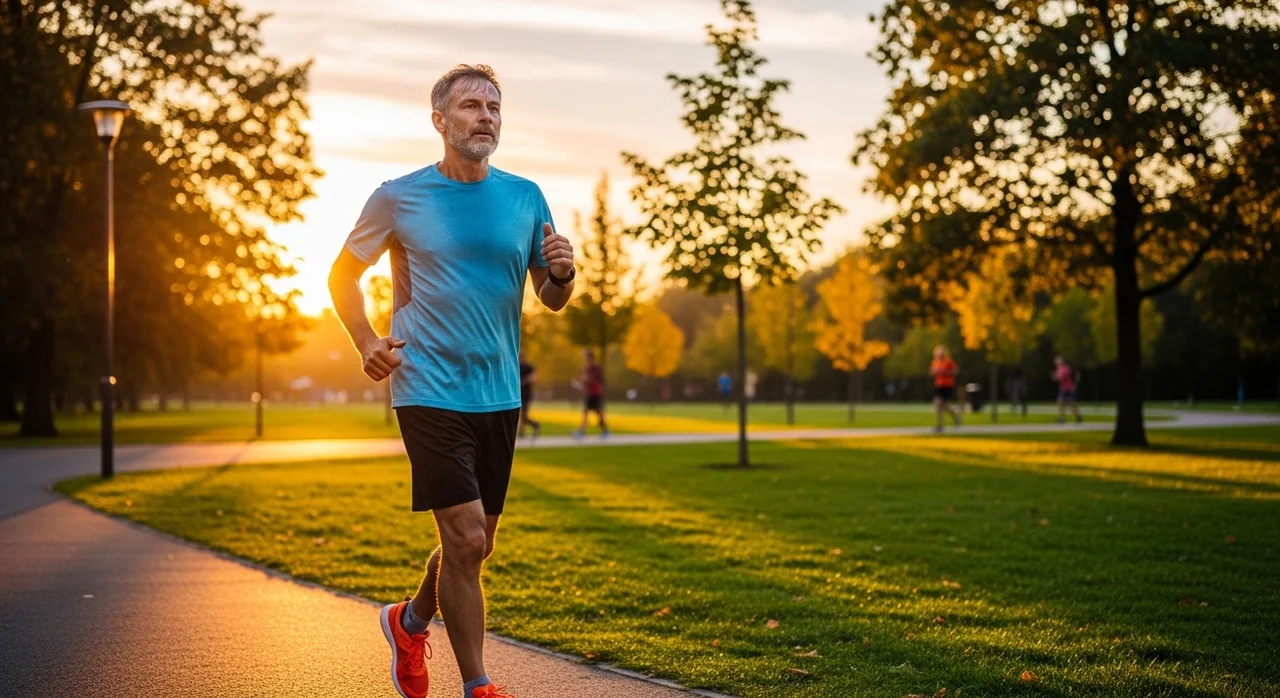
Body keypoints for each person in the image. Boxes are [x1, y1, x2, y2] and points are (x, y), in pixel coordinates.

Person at [328, 64, 575, 698]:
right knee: (464, 536)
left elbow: (548, 298)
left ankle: (408, 622)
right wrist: (366, 342)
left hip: (497, 393)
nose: (485, 116)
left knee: (475, 546)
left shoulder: (525, 198)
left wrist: (563, 273)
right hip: (426, 387)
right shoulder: (398, 196)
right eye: (470, 106)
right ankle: (479, 686)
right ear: (441, 121)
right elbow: (341, 276)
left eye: (493, 106)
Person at [574, 349, 609, 438]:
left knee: (598, 412)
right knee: (586, 411)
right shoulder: (588, 366)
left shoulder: (594, 366)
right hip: (590, 392)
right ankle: (582, 431)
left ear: (588, 356)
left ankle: (605, 431)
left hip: (595, 392)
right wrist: (581, 382)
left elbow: (595, 378)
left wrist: (585, 380)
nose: (583, 357)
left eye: (584, 356)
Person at [930, 345, 962, 433]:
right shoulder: (935, 362)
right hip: (938, 385)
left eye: (941, 353)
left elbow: (955, 371)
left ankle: (953, 418)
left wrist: (946, 372)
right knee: (938, 404)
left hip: (947, 385)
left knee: (941, 404)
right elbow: (932, 372)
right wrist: (936, 372)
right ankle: (941, 424)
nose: (940, 355)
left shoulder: (948, 362)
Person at [1053, 355, 1084, 424]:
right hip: (1063, 389)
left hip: (1069, 389)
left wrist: (1056, 376)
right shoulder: (1059, 369)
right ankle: (1062, 418)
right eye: (1056, 361)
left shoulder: (1065, 368)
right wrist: (1055, 377)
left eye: (1058, 360)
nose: (1056, 362)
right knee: (1061, 403)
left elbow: (1062, 377)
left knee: (1072, 404)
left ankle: (1078, 417)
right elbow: (1058, 379)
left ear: (1061, 361)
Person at [517, 352, 541, 440]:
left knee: (524, 414)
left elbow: (534, 377)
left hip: (526, 394)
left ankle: (527, 429)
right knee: (521, 415)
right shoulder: (517, 367)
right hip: (518, 394)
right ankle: (532, 426)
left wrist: (526, 380)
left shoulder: (528, 367)